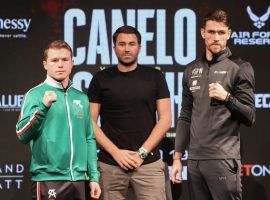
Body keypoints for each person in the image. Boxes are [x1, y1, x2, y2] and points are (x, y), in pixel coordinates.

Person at [171, 10, 255, 200]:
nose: (216, 37)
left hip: (223, 159)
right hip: (194, 162)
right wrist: (177, 158)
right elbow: (185, 116)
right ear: (203, 33)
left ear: (229, 34)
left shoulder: (240, 67)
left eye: (221, 32)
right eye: (211, 32)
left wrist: (227, 98)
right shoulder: (191, 69)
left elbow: (250, 116)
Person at [88, 25, 172, 200]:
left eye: (132, 44)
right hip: (110, 164)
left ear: (139, 48)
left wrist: (142, 152)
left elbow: (165, 119)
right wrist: (116, 152)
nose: (127, 48)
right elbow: (90, 122)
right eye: (122, 44)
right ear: (114, 48)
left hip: (148, 163)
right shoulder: (100, 79)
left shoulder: (155, 77)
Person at [16, 40, 101, 200]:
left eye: (65, 60)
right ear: (45, 64)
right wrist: (42, 108)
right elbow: (22, 134)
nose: (60, 65)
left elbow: (89, 138)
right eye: (54, 60)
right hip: (48, 178)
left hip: (78, 180)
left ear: (72, 63)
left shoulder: (81, 98)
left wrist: (94, 177)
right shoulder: (35, 94)